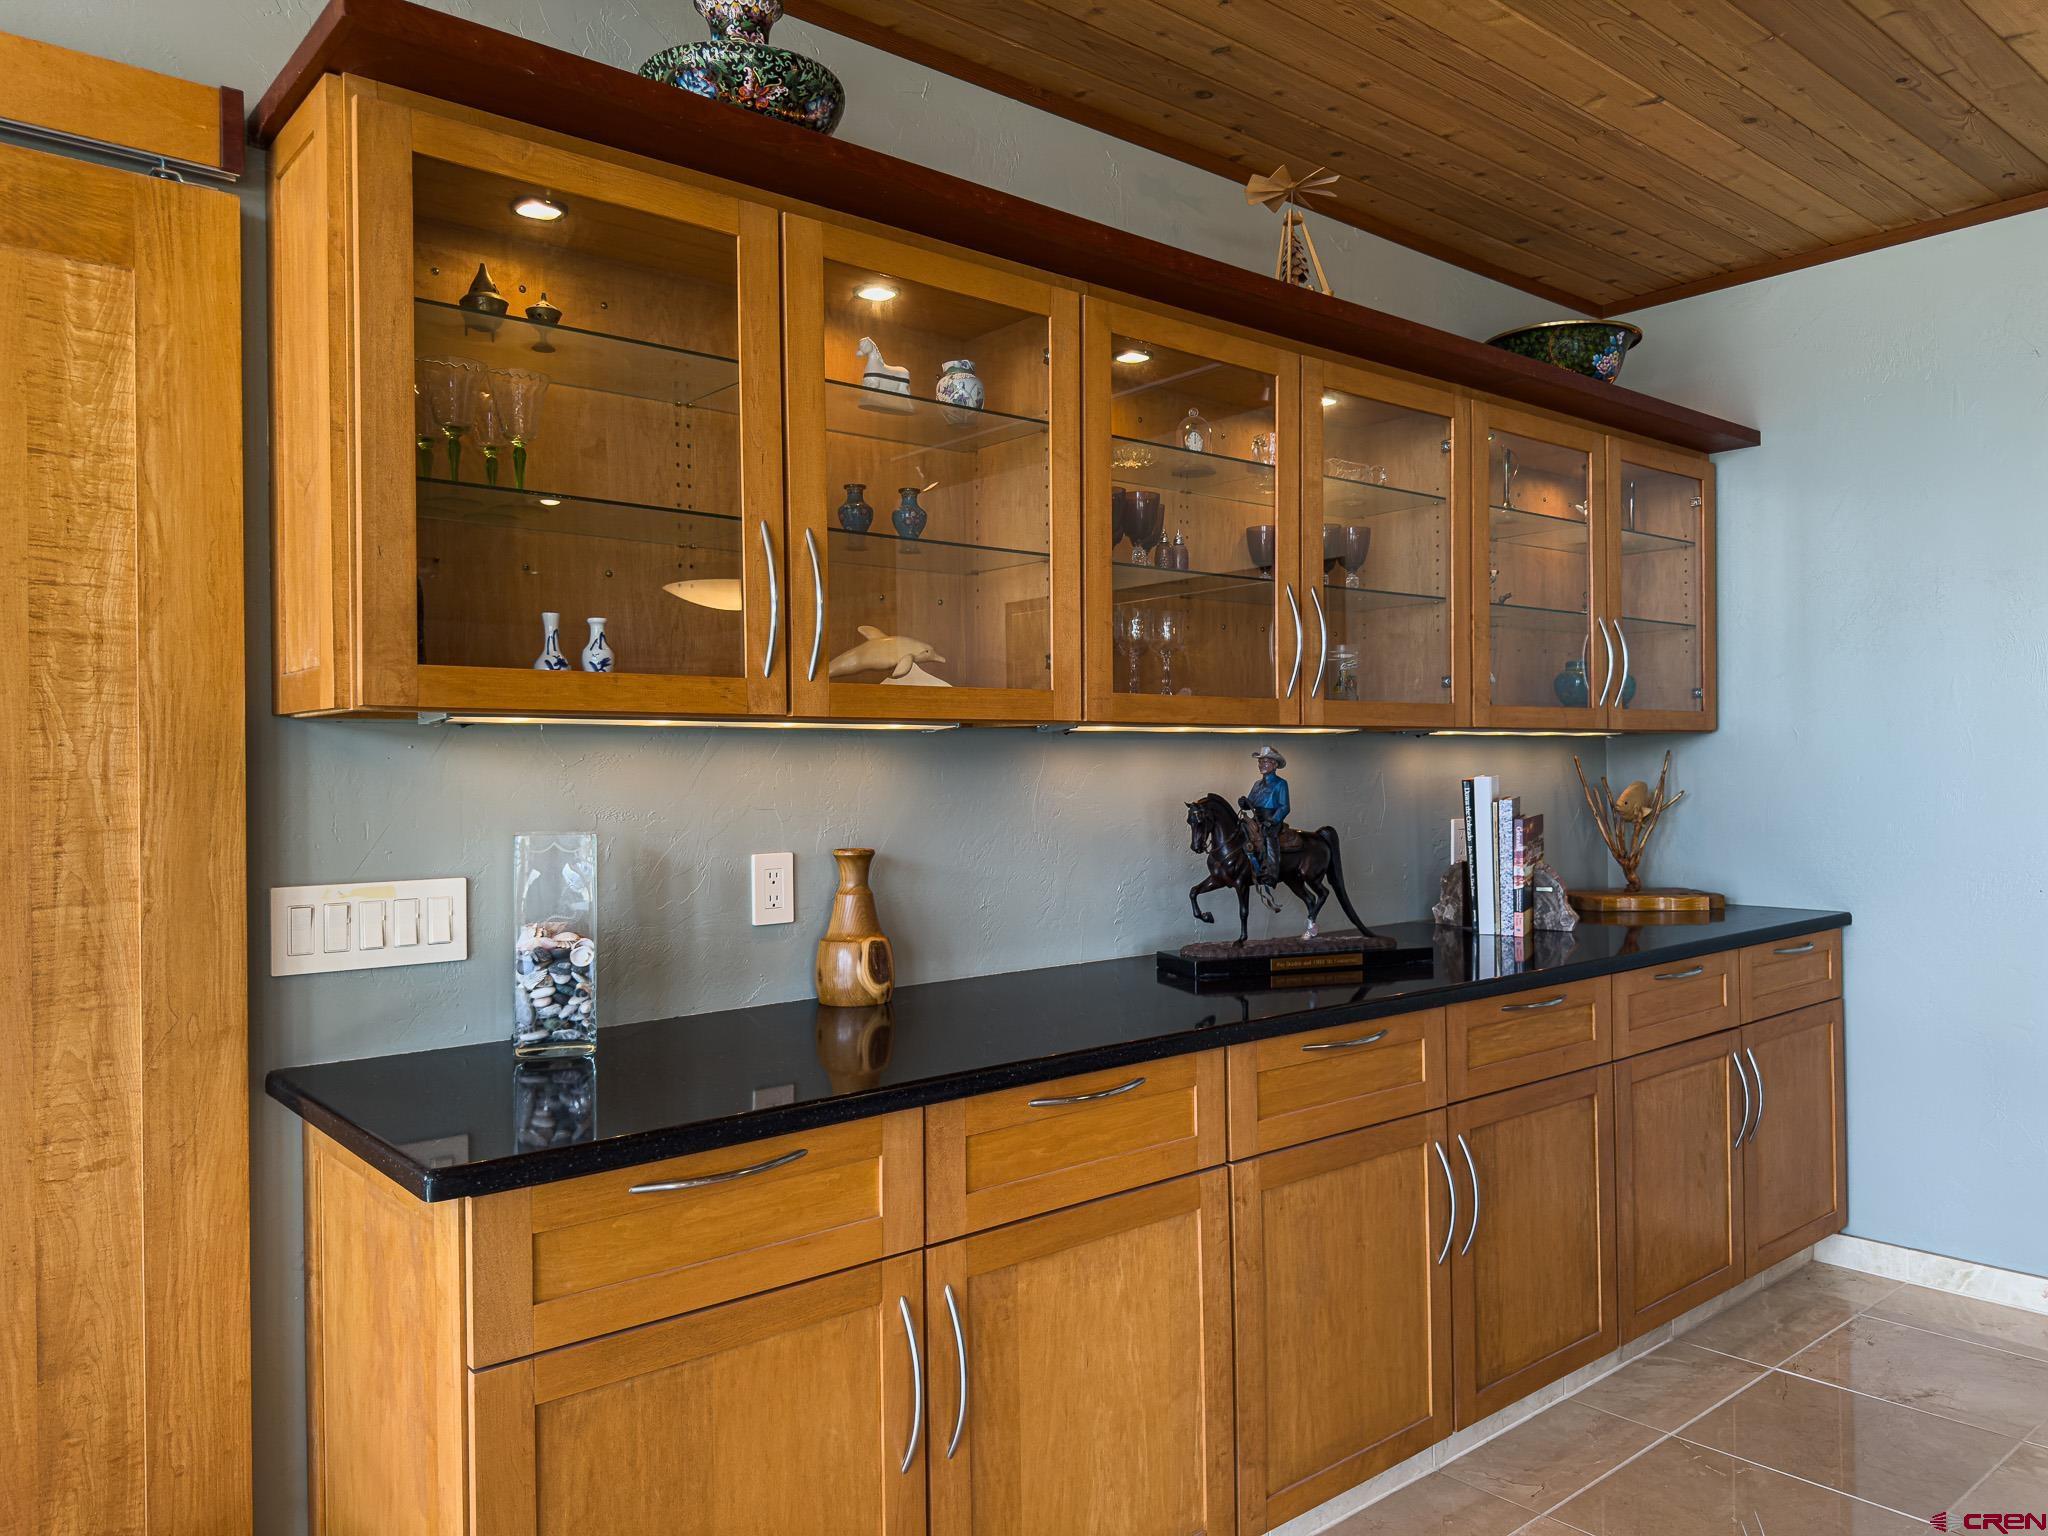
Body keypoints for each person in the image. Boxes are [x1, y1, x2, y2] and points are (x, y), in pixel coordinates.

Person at [1240, 745, 1290, 887]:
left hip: (1272, 820)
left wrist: (1273, 820)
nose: (1261, 765)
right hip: (1257, 818)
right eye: (1260, 762)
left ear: (1274, 765)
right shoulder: (1257, 785)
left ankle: (1271, 873)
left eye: (1265, 762)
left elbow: (1285, 806)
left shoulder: (1281, 784)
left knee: (1269, 836)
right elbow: (1250, 803)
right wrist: (1244, 803)